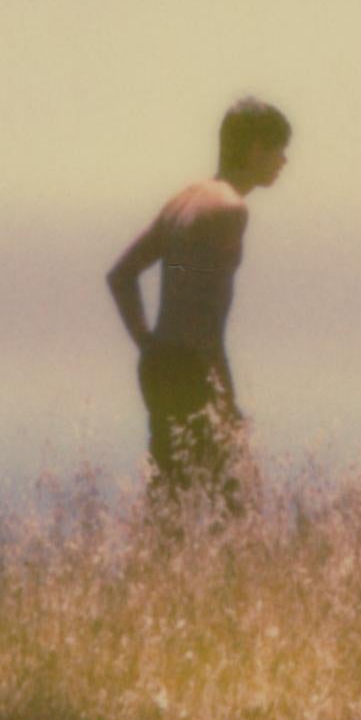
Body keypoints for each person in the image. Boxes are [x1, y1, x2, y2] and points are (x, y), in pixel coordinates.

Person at [106, 96, 291, 506]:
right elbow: (208, 318)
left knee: (168, 509)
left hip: (159, 365)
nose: (285, 160)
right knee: (236, 508)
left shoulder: (184, 200)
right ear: (256, 149)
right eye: (279, 148)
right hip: (193, 369)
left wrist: (148, 345)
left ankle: (156, 571)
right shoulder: (230, 209)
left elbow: (120, 276)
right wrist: (226, 400)